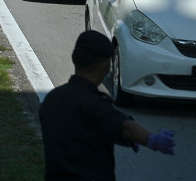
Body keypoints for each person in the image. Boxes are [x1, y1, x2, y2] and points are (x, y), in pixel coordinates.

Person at [39, 30, 175, 180]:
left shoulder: (51, 99)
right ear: (105, 66)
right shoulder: (96, 106)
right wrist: (152, 139)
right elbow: (126, 128)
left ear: (74, 58)